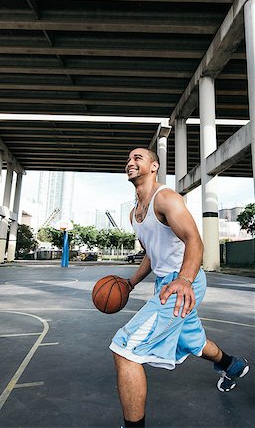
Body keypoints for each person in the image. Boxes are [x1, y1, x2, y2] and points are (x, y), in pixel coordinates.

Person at [110, 148, 249, 428]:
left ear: (154, 167)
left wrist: (184, 279)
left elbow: (194, 241)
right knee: (192, 341)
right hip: (167, 283)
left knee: (124, 349)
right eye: (128, 158)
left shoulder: (166, 198)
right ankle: (232, 365)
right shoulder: (134, 212)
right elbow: (152, 253)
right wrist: (130, 282)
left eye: (138, 158)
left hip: (183, 281)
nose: (130, 162)